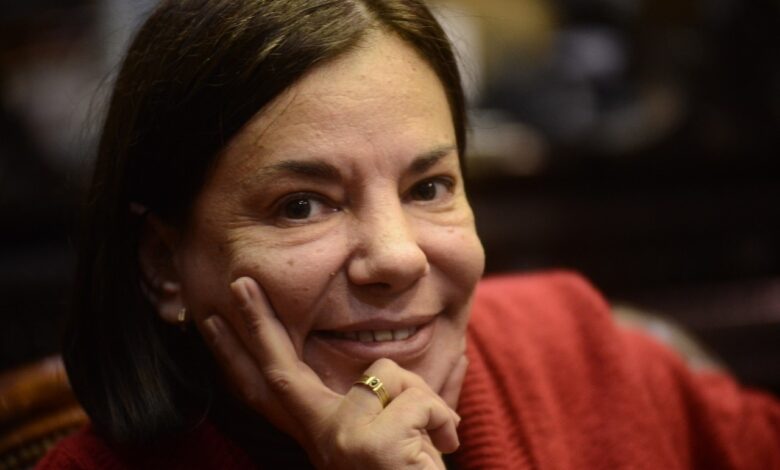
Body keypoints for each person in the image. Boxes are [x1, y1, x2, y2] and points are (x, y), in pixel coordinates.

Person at [39, 0, 780, 468]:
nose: (396, 257)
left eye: (428, 188)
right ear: (164, 264)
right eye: (302, 205)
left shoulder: (572, 346)